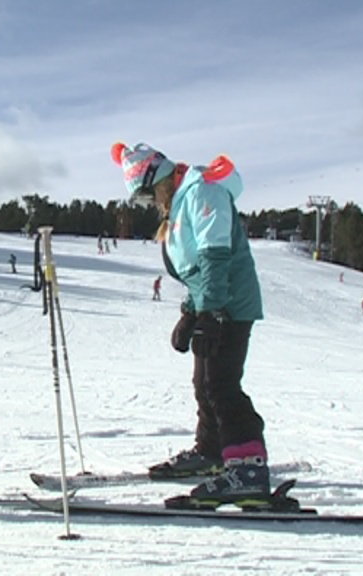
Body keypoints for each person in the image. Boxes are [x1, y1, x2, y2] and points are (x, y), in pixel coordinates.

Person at [112, 141, 268, 506]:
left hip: (231, 304)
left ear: (159, 179)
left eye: (149, 195)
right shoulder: (182, 202)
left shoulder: (202, 192)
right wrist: (190, 312)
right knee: (204, 382)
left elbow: (216, 258)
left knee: (222, 384)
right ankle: (213, 452)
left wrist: (211, 312)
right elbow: (195, 272)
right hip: (214, 303)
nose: (152, 204)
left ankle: (248, 470)